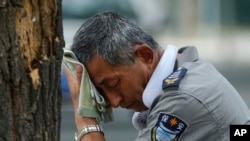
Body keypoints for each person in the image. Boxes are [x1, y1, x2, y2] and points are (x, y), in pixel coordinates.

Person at [64, 11, 250, 141]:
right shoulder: (190, 70)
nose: (113, 101)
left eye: (113, 83)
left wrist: (85, 118)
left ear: (145, 56)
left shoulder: (181, 99)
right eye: (101, 92)